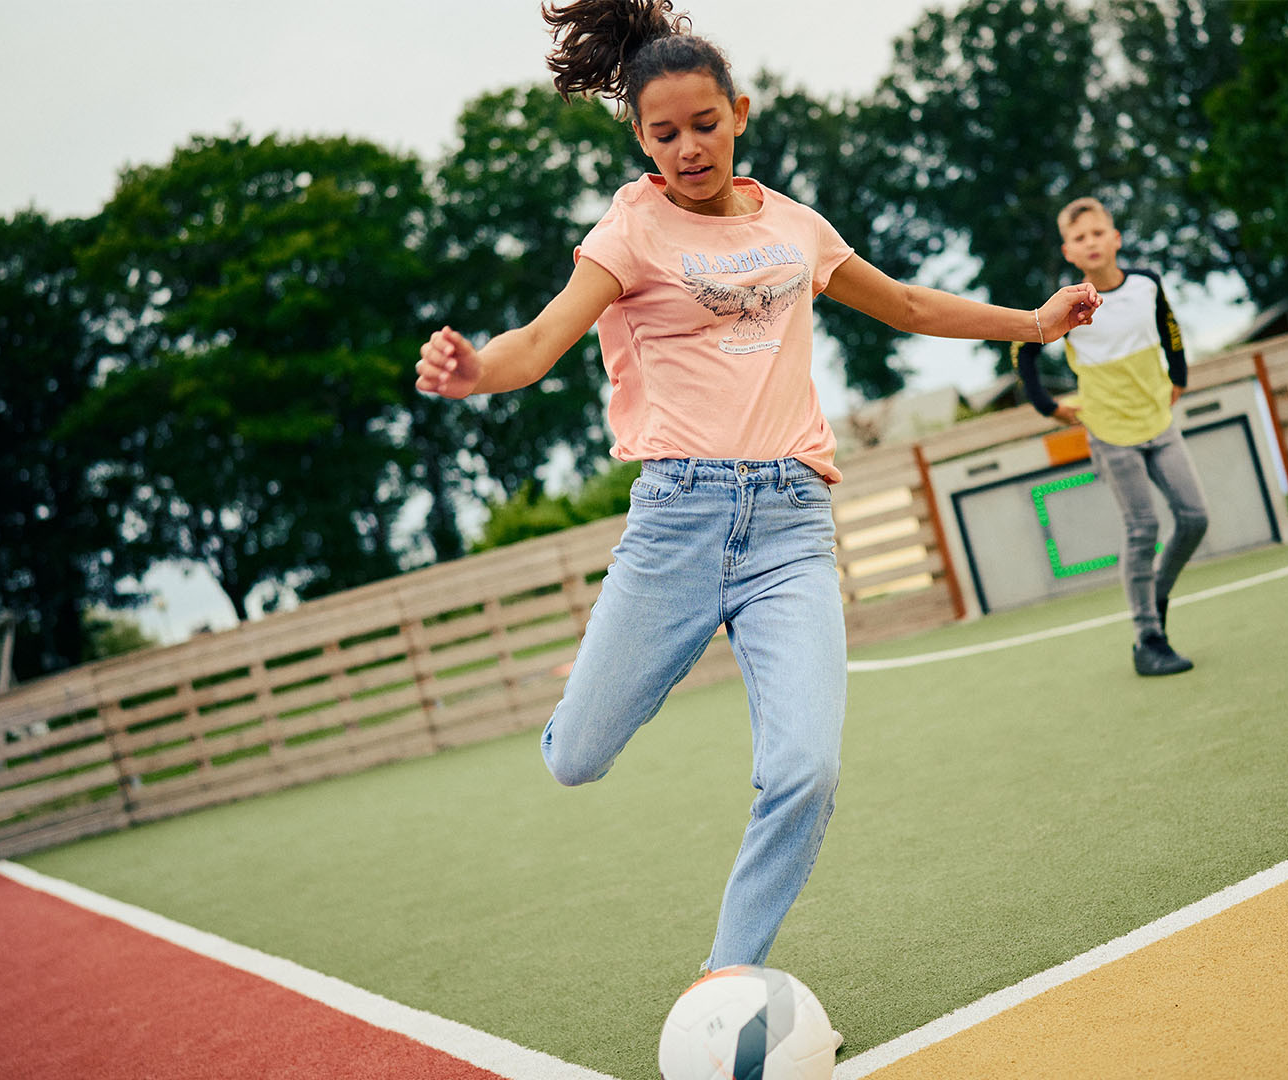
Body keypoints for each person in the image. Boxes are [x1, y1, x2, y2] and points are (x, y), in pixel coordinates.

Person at [415, 0, 1102, 980]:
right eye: (665, 133)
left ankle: (727, 975)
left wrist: (1033, 325)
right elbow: (538, 340)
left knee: (805, 770)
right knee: (576, 759)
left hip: (789, 528)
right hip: (678, 525)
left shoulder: (793, 226)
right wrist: (474, 372)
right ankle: (606, 686)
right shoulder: (631, 227)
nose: (688, 147)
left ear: (739, 112)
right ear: (640, 137)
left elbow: (906, 303)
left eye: (705, 124)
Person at [1016, 197, 1209, 677]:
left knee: (1194, 518)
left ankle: (1155, 594)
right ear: (1069, 252)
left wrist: (1178, 376)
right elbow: (1024, 348)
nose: (1091, 242)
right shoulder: (1070, 305)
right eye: (1080, 238)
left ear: (1116, 238)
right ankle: (1148, 638)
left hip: (1158, 422)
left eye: (1098, 233)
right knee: (1143, 529)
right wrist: (1049, 407)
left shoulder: (1147, 283)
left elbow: (1170, 328)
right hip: (1109, 432)